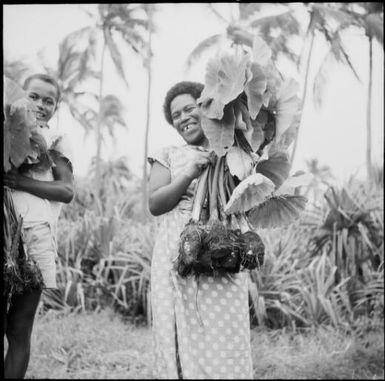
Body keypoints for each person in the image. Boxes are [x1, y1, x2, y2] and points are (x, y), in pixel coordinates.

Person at [148, 81, 253, 379]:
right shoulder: (168, 154)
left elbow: (247, 200)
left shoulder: (234, 152)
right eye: (175, 114)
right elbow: (155, 204)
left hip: (222, 251)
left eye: (189, 108)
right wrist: (189, 173)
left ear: (207, 108)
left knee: (224, 332)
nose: (182, 117)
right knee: (178, 333)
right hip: (177, 252)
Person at [3, 73, 74, 378]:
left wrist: (21, 181)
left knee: (19, 330)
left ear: (56, 107)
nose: (41, 105)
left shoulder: (54, 139)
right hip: (5, 236)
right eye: (33, 96)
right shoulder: (7, 130)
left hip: (34, 240)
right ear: (20, 98)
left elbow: (67, 191)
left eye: (49, 100)